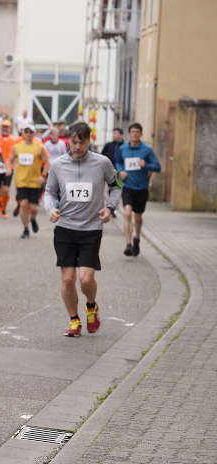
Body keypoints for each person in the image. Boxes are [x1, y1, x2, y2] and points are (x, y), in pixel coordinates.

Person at [44, 122, 121, 337]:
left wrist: (110, 208)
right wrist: (51, 209)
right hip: (65, 228)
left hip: (91, 228)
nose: (77, 147)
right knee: (68, 279)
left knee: (86, 279)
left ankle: (91, 305)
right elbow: (49, 192)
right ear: (69, 140)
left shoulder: (102, 163)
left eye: (82, 142)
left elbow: (117, 186)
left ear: (89, 140)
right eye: (74, 142)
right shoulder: (58, 165)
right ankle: (74, 320)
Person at [115, 123, 160, 257]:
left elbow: (158, 167)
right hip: (128, 186)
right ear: (129, 134)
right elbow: (117, 162)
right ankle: (128, 244)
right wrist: (120, 171)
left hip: (141, 188)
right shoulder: (122, 148)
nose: (134, 134)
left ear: (141, 134)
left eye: (137, 132)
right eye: (132, 132)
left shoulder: (147, 150)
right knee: (127, 214)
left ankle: (137, 238)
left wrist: (146, 164)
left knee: (138, 217)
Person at [8, 124, 49, 238]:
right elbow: (10, 160)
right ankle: (25, 228)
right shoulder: (17, 147)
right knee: (23, 204)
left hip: (35, 182)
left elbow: (47, 162)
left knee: (33, 208)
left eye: (31, 132)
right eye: (26, 132)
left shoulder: (39, 147)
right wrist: (8, 169)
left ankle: (33, 218)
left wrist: (43, 175)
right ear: (23, 134)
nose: (28, 134)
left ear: (34, 134)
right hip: (21, 181)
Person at [0, 119, 18, 217]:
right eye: (3, 126)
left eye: (7, 127)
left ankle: (3, 209)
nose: (5, 128)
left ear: (10, 128)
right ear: (1, 128)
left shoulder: (14, 140)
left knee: (6, 190)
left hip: (8, 167)